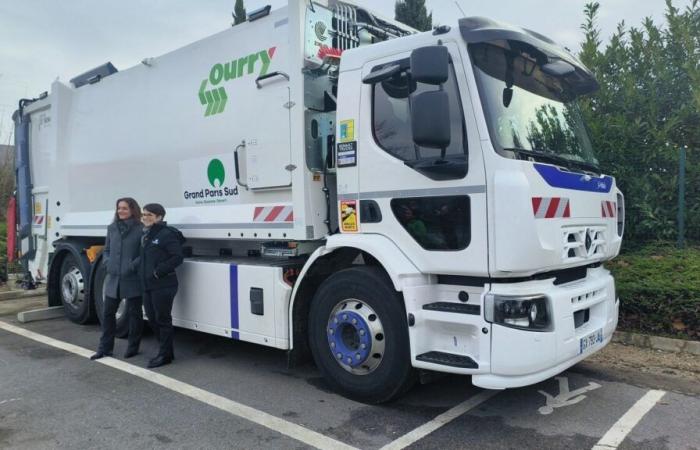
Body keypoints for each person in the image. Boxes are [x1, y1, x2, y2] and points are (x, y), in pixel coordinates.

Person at [91, 197, 144, 360]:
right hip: (113, 278)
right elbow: (106, 249)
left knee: (135, 315)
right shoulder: (112, 228)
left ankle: (133, 347)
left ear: (133, 210)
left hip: (132, 278)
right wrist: (107, 262)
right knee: (108, 314)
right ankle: (104, 348)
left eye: (125, 208)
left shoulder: (141, 229)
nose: (121, 211)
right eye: (119, 208)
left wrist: (132, 266)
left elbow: (144, 253)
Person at [137, 203, 185, 368]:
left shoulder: (166, 234)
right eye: (144, 214)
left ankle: (164, 355)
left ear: (159, 217)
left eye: (149, 215)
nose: (145, 217)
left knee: (162, 319)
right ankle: (166, 352)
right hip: (147, 284)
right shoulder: (146, 234)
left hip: (163, 285)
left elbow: (177, 257)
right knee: (152, 318)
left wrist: (158, 271)